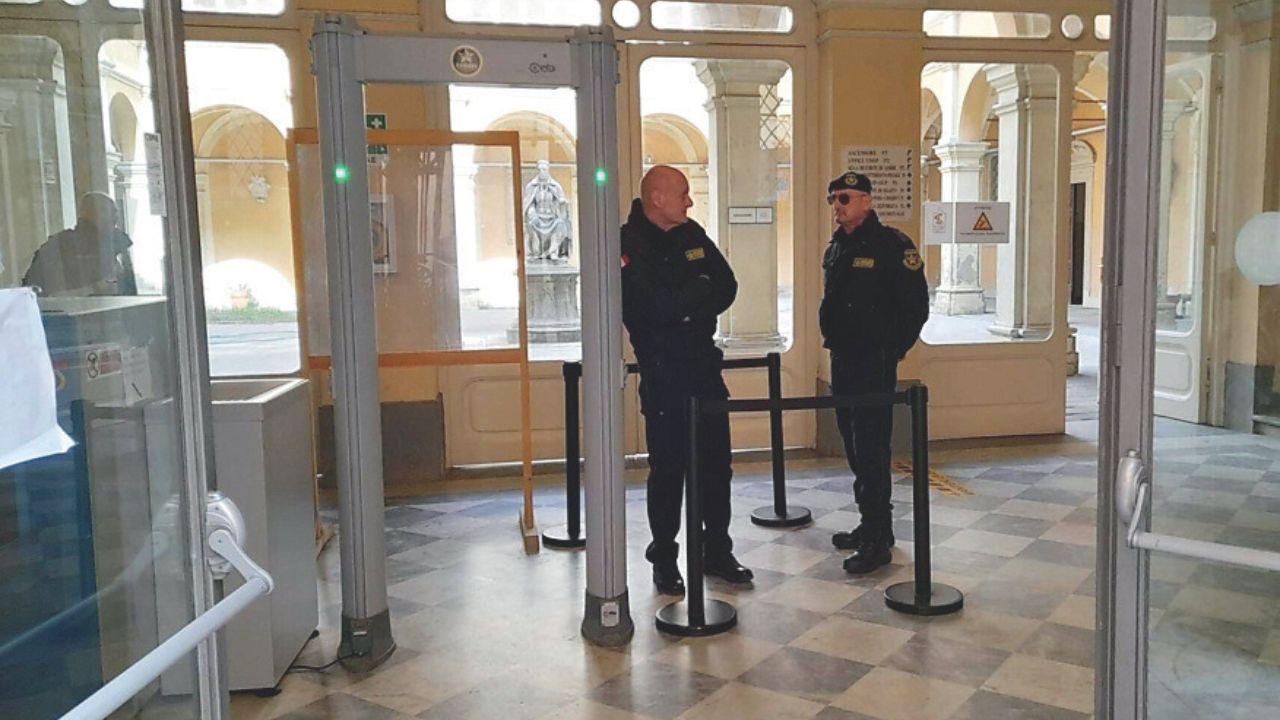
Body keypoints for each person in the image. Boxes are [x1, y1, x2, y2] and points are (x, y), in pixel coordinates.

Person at [620, 165, 753, 595]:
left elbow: (727, 285)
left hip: (703, 369)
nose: (690, 201)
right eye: (683, 194)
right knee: (668, 471)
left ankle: (717, 551)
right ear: (657, 198)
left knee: (716, 467)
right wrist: (697, 292)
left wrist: (685, 303)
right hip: (664, 374)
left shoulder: (692, 234)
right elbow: (651, 308)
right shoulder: (628, 243)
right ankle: (664, 559)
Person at [819, 171, 929, 574]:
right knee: (853, 446)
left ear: (866, 201)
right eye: (833, 199)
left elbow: (915, 307)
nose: (837, 206)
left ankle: (878, 540)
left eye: (844, 198)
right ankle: (871, 524)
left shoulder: (892, 246)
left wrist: (890, 351)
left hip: (873, 363)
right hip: (843, 360)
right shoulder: (838, 246)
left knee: (871, 449)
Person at [23, 192, 138, 297]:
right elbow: (38, 292)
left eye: (115, 212)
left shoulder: (118, 244)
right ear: (87, 213)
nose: (115, 218)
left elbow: (129, 289)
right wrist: (95, 288)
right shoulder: (60, 246)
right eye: (106, 211)